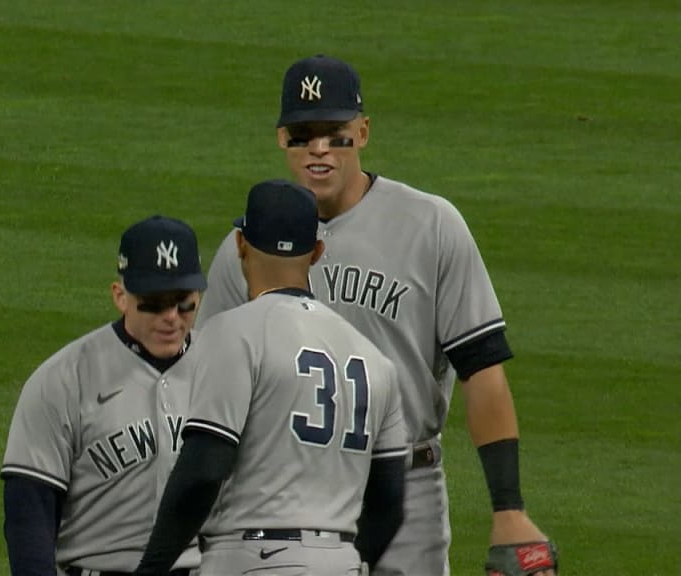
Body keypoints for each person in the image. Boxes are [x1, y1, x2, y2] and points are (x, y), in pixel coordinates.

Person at [195, 55, 558, 576]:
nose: (318, 148)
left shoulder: (431, 225)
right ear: (282, 140)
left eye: (334, 133)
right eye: (303, 134)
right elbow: (205, 390)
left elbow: (482, 368)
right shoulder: (245, 249)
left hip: (407, 488)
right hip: (281, 495)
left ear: (362, 132)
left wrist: (509, 508)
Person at [133, 179, 409, 576]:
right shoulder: (374, 360)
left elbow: (204, 471)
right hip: (342, 562)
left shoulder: (231, 332)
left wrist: (153, 567)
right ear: (316, 252)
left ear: (241, 245)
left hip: (252, 560)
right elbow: (389, 501)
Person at [1, 215, 206, 576]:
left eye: (183, 302)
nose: (171, 317)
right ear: (120, 296)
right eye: (154, 303)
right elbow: (29, 509)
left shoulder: (226, 369)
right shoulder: (65, 377)